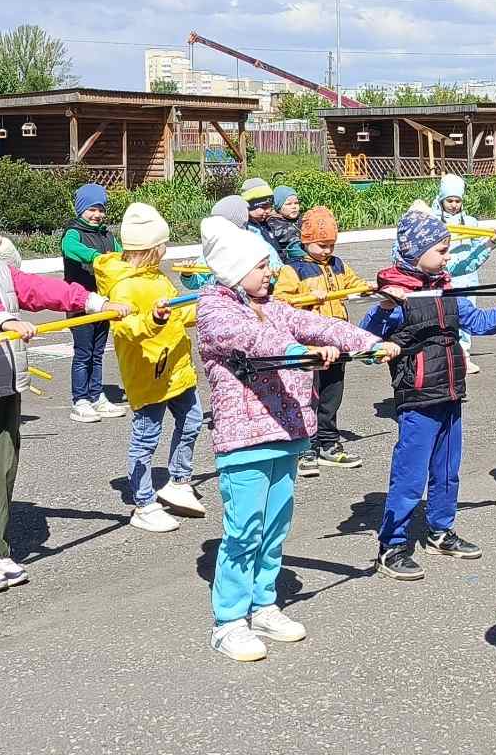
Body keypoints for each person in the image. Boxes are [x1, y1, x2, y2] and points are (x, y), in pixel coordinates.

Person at [194, 217, 391, 662]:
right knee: (243, 531)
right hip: (244, 441)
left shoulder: (273, 306)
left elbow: (318, 326)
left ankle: (264, 603)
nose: (270, 273)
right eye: (262, 266)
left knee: (275, 527)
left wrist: (367, 342)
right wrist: (301, 353)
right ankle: (228, 621)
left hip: (285, 434)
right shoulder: (215, 311)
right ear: (233, 270)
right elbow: (254, 339)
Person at [0, 189, 126, 594]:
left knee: (3, 471)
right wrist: (2, 319)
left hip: (6, 386)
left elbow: (38, 289)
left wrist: (92, 300)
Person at [364, 210, 496, 580]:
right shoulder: (396, 294)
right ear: (415, 251)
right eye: (442, 250)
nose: (447, 257)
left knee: (447, 471)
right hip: (417, 396)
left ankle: (440, 530)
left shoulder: (446, 287)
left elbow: (479, 322)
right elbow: (366, 339)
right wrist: (384, 307)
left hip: (450, 391)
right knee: (409, 474)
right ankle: (392, 545)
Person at [95, 203, 206, 533]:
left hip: (177, 367)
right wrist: (152, 319)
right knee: (146, 437)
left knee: (193, 420)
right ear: (150, 250)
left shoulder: (157, 278)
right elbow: (125, 328)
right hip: (148, 374)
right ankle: (143, 502)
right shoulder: (125, 286)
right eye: (162, 247)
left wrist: (204, 308)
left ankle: (178, 480)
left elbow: (177, 314)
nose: (166, 251)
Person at [274, 205, 369, 475]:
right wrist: (305, 299)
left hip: (337, 342)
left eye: (331, 245)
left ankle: (329, 443)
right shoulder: (294, 270)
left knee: (331, 395)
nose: (328, 250)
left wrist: (365, 288)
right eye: (322, 245)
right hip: (310, 345)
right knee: (309, 397)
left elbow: (354, 283)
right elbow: (280, 301)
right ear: (306, 241)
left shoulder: (338, 265)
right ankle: (307, 448)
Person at [61, 183, 126, 422]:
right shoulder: (73, 233)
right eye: (91, 209)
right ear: (81, 209)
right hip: (80, 303)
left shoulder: (108, 236)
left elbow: (121, 256)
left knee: (98, 353)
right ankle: (81, 400)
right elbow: (71, 249)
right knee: (83, 353)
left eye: (101, 209)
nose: (97, 214)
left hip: (104, 303)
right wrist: (97, 258)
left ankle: (97, 396)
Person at [435, 172, 496, 375]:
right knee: (445, 319)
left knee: (468, 318)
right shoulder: (433, 222)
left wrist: (494, 240)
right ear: (441, 199)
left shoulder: (470, 223)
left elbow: (479, 250)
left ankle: (464, 357)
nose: (453, 205)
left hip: (468, 279)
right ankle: (446, 357)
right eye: (449, 200)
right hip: (444, 279)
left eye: (457, 200)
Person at [239, 177, 286, 272]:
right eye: (264, 207)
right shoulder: (247, 229)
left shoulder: (264, 223)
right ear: (250, 206)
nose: (268, 211)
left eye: (270, 207)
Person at [266, 186, 305, 265]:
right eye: (288, 204)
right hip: (287, 264)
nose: (294, 207)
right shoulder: (272, 224)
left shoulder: (304, 220)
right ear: (278, 207)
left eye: (296, 203)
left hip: (307, 260)